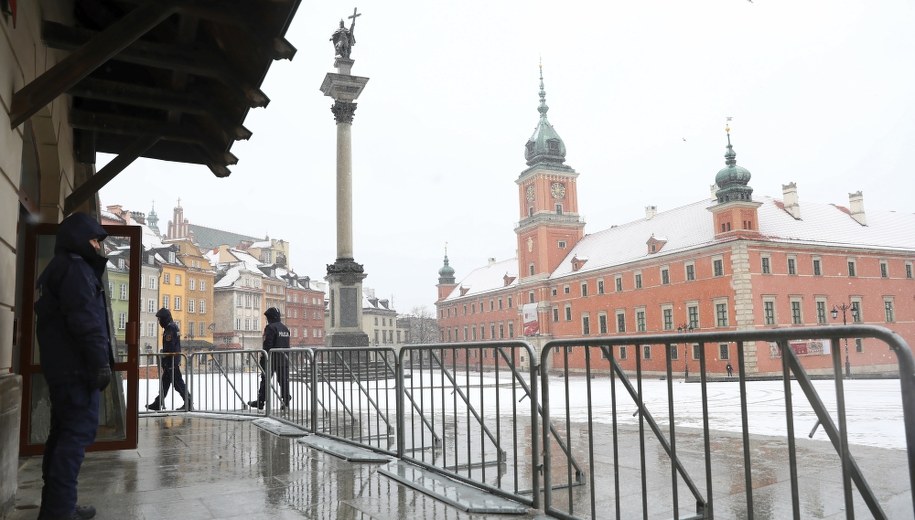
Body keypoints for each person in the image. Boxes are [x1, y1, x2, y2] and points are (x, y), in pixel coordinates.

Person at [34, 212, 114, 520]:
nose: (97, 246)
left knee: (62, 437)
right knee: (73, 439)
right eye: (94, 240)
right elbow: (86, 321)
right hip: (76, 370)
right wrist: (100, 363)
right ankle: (60, 511)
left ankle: (58, 505)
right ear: (80, 240)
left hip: (63, 369)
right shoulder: (76, 270)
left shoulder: (60, 268)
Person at [146, 308, 192, 411]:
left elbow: (170, 347)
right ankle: (158, 403)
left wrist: (165, 357)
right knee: (165, 383)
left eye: (160, 319)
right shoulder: (170, 327)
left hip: (171, 361)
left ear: (164, 319)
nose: (159, 322)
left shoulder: (170, 328)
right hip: (170, 361)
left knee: (178, 383)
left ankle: (188, 402)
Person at [248, 307, 291, 410]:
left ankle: (261, 401)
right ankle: (286, 400)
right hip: (284, 359)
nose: (267, 320)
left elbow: (268, 344)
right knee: (283, 381)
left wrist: (263, 358)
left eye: (267, 318)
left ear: (270, 317)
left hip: (271, 359)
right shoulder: (285, 328)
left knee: (265, 380)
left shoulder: (270, 328)